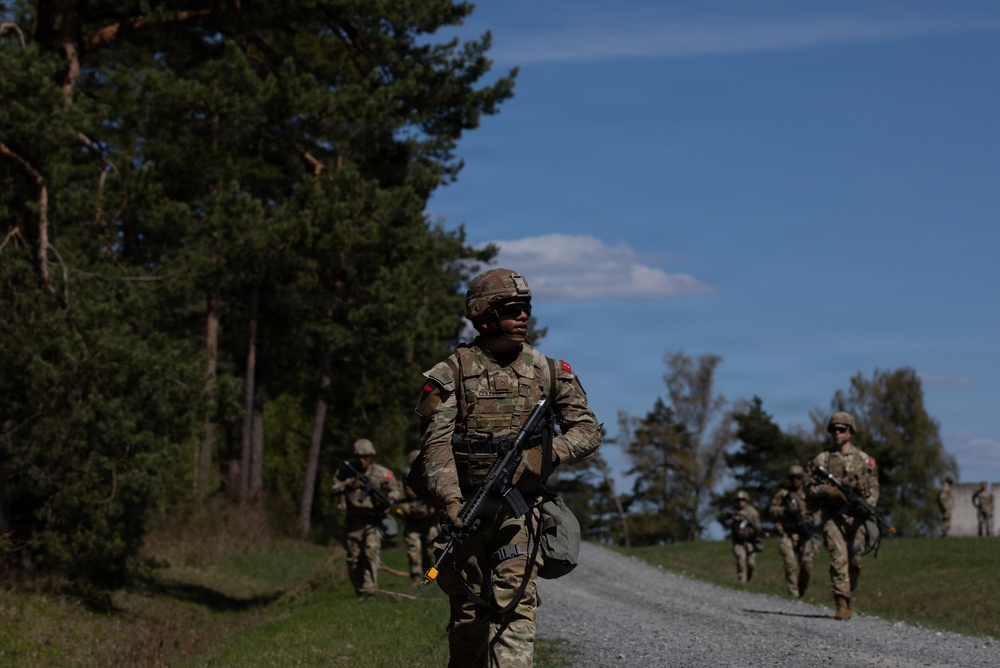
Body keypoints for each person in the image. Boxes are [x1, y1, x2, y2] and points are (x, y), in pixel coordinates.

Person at [414, 268, 601, 668]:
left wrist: (550, 454)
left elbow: (587, 429)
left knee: (517, 608)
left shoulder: (549, 371)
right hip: (465, 511)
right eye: (513, 309)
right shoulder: (452, 373)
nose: (524, 317)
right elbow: (435, 447)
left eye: (527, 308)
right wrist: (451, 502)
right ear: (483, 315)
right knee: (468, 621)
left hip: (519, 514)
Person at [805, 412, 880, 621]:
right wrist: (826, 492)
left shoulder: (865, 460)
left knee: (855, 559)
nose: (837, 433)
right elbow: (808, 487)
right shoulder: (823, 459)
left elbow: (874, 488)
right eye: (833, 429)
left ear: (851, 432)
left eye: (841, 429)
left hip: (857, 518)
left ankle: (848, 590)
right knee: (838, 559)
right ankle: (841, 603)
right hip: (833, 517)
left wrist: (868, 505)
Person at [331, 438, 403, 596]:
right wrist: (348, 484)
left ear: (372, 456)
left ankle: (370, 589)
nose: (362, 460)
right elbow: (334, 488)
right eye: (359, 457)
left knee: (371, 551)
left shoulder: (382, 473)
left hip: (373, 520)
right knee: (353, 558)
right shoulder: (347, 472)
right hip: (354, 522)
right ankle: (360, 590)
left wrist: (390, 497)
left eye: (366, 457)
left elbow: (396, 490)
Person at [768, 465, 818, 597]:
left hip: (805, 533)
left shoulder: (808, 494)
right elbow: (772, 510)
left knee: (807, 564)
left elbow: (816, 511)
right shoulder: (783, 494)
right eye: (792, 478)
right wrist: (785, 511)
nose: (795, 480)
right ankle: (793, 593)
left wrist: (811, 522)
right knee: (790, 564)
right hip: (788, 533)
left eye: (798, 478)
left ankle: (802, 591)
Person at [398, 449, 440, 586]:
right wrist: (405, 508)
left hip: (429, 521)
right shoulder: (405, 481)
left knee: (430, 551)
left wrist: (434, 505)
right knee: (413, 551)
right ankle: (415, 578)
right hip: (413, 522)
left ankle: (429, 577)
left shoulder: (432, 478)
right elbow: (398, 498)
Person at [723, 490, 761, 585]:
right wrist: (734, 520)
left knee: (751, 564)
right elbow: (726, 523)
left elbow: (758, 527)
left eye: (743, 500)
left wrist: (751, 525)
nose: (740, 502)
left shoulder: (752, 512)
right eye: (738, 500)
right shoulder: (732, 511)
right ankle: (742, 582)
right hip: (738, 541)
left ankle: (749, 580)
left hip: (750, 541)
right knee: (741, 558)